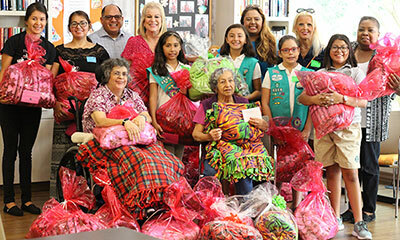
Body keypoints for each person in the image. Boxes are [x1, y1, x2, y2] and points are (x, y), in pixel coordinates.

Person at [78, 58, 184, 219]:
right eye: (117, 74)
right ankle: (143, 203)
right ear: (107, 76)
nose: (121, 77)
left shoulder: (131, 94)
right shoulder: (98, 95)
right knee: (141, 160)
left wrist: (141, 118)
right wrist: (124, 122)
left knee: (164, 158)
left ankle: (164, 200)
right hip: (107, 142)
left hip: (134, 138)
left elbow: (146, 114)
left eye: (124, 74)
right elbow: (100, 121)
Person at [298, 34, 372, 239]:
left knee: (351, 173)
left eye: (344, 47)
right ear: (329, 50)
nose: (339, 51)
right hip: (323, 130)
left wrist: (342, 98)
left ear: (349, 51)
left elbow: (364, 101)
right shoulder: (319, 72)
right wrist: (316, 98)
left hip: (348, 128)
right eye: (335, 47)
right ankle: (334, 217)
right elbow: (302, 97)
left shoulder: (356, 73)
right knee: (331, 172)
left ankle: (359, 222)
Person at [341, 16, 400, 224]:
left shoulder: (387, 55)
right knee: (351, 167)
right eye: (361, 29)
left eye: (370, 30)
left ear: (378, 33)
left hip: (374, 120)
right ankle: (352, 208)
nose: (365, 33)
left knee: (369, 167)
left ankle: (369, 209)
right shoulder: (348, 49)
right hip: (350, 119)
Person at [0, 2, 56, 216]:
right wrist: (2, 95)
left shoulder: (48, 48)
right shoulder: (14, 42)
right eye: (34, 18)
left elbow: (45, 79)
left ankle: (27, 199)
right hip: (9, 105)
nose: (38, 23)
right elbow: (4, 70)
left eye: (42, 19)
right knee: (10, 151)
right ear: (26, 21)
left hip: (32, 107)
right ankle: (8, 201)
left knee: (26, 152)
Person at [49, 11, 110, 198]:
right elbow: (49, 80)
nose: (78, 27)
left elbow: (108, 81)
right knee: (62, 155)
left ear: (89, 26)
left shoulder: (99, 51)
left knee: (91, 154)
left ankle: (90, 197)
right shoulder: (59, 51)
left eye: (82, 23)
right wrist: (54, 104)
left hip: (94, 113)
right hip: (65, 111)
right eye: (74, 24)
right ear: (69, 28)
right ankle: (61, 197)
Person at [192, 68, 273, 195]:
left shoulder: (244, 103)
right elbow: (196, 134)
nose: (228, 85)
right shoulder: (207, 105)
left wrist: (263, 125)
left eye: (230, 81)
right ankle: (220, 206)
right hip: (218, 148)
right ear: (215, 86)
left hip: (246, 147)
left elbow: (256, 130)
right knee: (213, 173)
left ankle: (249, 204)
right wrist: (209, 136)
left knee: (248, 167)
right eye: (222, 82)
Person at [261, 35, 313, 209]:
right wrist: (272, 129)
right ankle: (275, 204)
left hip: (299, 130)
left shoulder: (307, 74)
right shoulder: (271, 73)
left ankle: (296, 206)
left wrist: (307, 129)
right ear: (280, 52)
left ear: (299, 50)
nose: (290, 53)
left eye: (293, 49)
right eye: (286, 50)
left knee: (298, 167)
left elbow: (313, 106)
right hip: (278, 131)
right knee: (277, 167)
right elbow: (265, 103)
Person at [148, 31, 189, 159]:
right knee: (167, 157)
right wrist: (153, 120)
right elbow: (153, 96)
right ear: (161, 48)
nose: (172, 49)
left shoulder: (186, 68)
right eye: (168, 45)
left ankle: (178, 179)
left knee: (179, 157)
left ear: (181, 47)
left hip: (181, 119)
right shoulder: (156, 70)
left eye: (176, 45)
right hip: (163, 119)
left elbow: (192, 97)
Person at [121, 1, 167, 106]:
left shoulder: (168, 42)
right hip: (136, 97)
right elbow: (123, 69)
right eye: (149, 16)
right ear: (143, 20)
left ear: (162, 20)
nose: (153, 20)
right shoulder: (133, 41)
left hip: (163, 96)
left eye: (157, 17)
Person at [219, 24, 262, 101]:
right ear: (227, 39)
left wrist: (244, 98)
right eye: (232, 36)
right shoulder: (219, 61)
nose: (235, 39)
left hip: (244, 108)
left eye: (239, 36)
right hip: (222, 106)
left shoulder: (253, 63)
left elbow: (258, 91)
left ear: (245, 40)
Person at [240, 5, 278, 79]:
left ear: (262, 22)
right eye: (248, 19)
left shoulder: (272, 43)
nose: (253, 22)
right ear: (242, 22)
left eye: (257, 19)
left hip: (265, 87)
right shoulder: (237, 42)